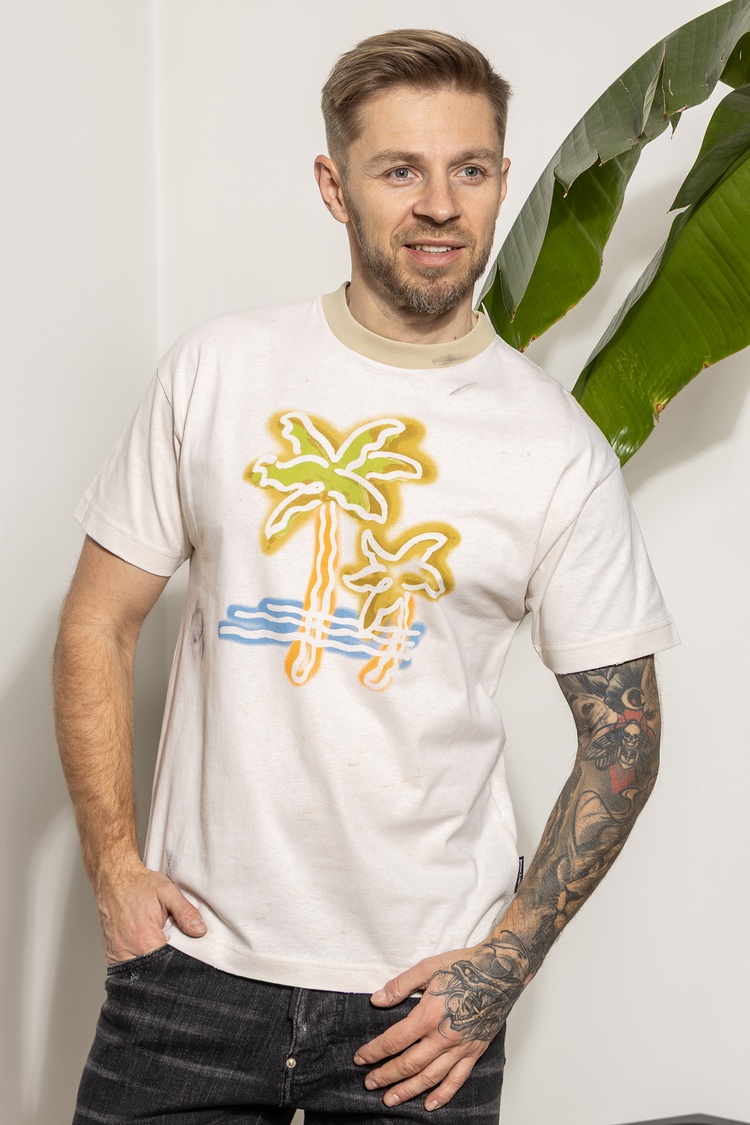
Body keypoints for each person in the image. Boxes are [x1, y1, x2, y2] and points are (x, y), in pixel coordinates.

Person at [53, 28, 679, 1124]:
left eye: (469, 169)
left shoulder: (555, 447)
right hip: (190, 971)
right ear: (334, 187)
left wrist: (503, 966)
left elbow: (624, 735)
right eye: (400, 170)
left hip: (423, 1006)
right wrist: (114, 871)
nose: (439, 204)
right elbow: (98, 622)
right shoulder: (219, 371)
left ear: (500, 180)